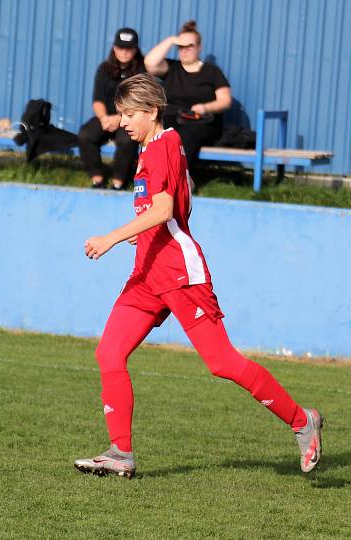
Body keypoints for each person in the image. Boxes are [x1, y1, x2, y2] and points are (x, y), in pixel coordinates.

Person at [74, 74, 322, 479]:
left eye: (130, 114)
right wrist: (144, 237)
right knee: (109, 353)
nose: (123, 122)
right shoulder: (154, 147)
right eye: (121, 114)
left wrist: (113, 238)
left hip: (177, 274)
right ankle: (120, 452)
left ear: (152, 111)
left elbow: (165, 210)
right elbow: (168, 207)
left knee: (221, 362)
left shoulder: (162, 147)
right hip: (147, 274)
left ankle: (301, 421)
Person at [144, 20, 232, 169]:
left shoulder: (212, 72)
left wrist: (206, 107)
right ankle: (153, 178)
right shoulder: (171, 68)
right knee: (157, 133)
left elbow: (225, 101)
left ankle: (178, 181)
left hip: (200, 122)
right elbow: (150, 63)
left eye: (189, 46)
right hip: (172, 118)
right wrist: (172, 40)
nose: (184, 50)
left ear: (199, 48)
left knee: (183, 138)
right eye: (180, 46)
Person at [78, 28, 145, 190]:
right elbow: (97, 100)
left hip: (131, 117)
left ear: (135, 49)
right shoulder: (104, 69)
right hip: (107, 117)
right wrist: (103, 119)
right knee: (85, 135)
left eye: (128, 48)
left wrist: (121, 118)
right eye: (121, 47)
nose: (124, 52)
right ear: (114, 48)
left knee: (127, 140)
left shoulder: (142, 71)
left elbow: (141, 104)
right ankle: (98, 180)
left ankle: (118, 183)